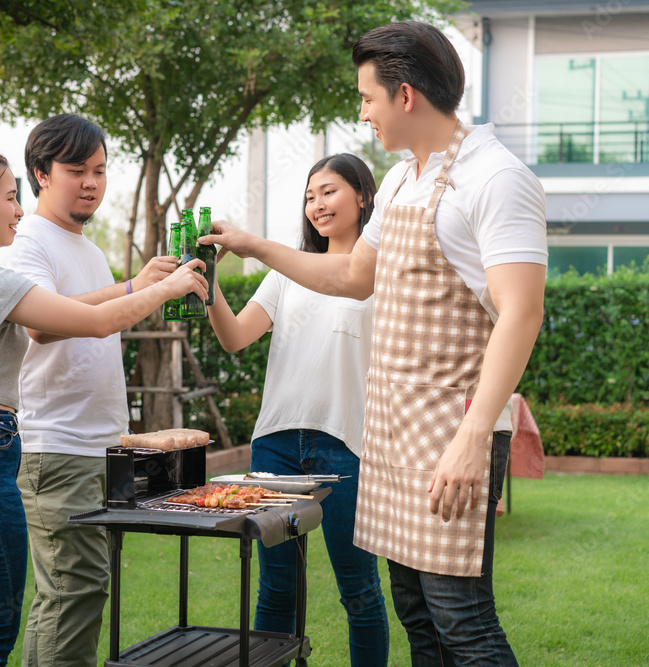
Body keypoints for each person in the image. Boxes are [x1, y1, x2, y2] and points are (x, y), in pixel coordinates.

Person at [200, 21, 547, 666]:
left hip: (454, 429)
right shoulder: (397, 182)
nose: (363, 114)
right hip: (393, 434)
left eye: (367, 98)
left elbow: (522, 312)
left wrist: (474, 437)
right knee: (415, 612)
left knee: (461, 618)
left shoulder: (496, 178)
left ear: (406, 95)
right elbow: (355, 276)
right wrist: (254, 245)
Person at [0, 145, 206, 666]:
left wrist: (136, 284)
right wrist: (170, 289)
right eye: (10, 197)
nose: (18, 209)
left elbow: (60, 313)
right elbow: (93, 323)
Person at [0, 114, 176, 667]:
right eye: (76, 170)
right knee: (73, 590)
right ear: (41, 175)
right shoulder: (25, 244)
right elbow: (44, 325)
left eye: (99, 170)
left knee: (79, 592)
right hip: (55, 447)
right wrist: (138, 288)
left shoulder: (87, 249)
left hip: (97, 447)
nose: (91, 182)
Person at [206, 153, 389, 666]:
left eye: (328, 191)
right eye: (310, 196)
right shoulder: (286, 274)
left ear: (363, 196)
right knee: (276, 587)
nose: (317, 204)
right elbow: (236, 337)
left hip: (347, 445)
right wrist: (209, 284)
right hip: (277, 444)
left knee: (359, 590)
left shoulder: (382, 273)